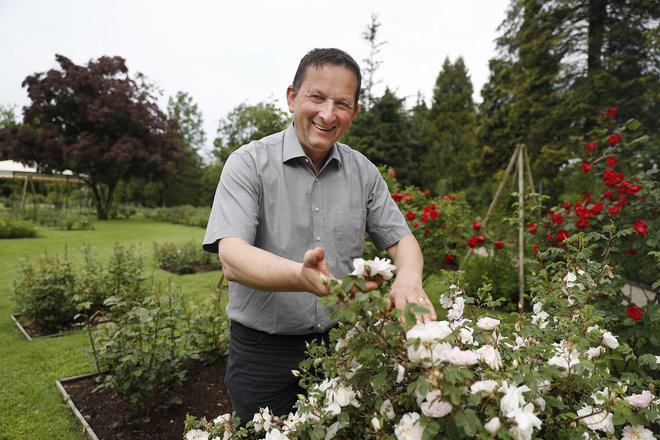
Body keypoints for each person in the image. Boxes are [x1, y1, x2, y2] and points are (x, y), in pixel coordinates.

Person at [202, 48, 435, 423]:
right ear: (293, 97)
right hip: (262, 354)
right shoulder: (248, 163)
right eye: (317, 97)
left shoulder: (363, 172)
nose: (328, 114)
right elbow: (232, 256)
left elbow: (401, 240)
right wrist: (300, 277)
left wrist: (408, 277)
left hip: (341, 345)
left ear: (354, 112)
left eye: (342, 103)